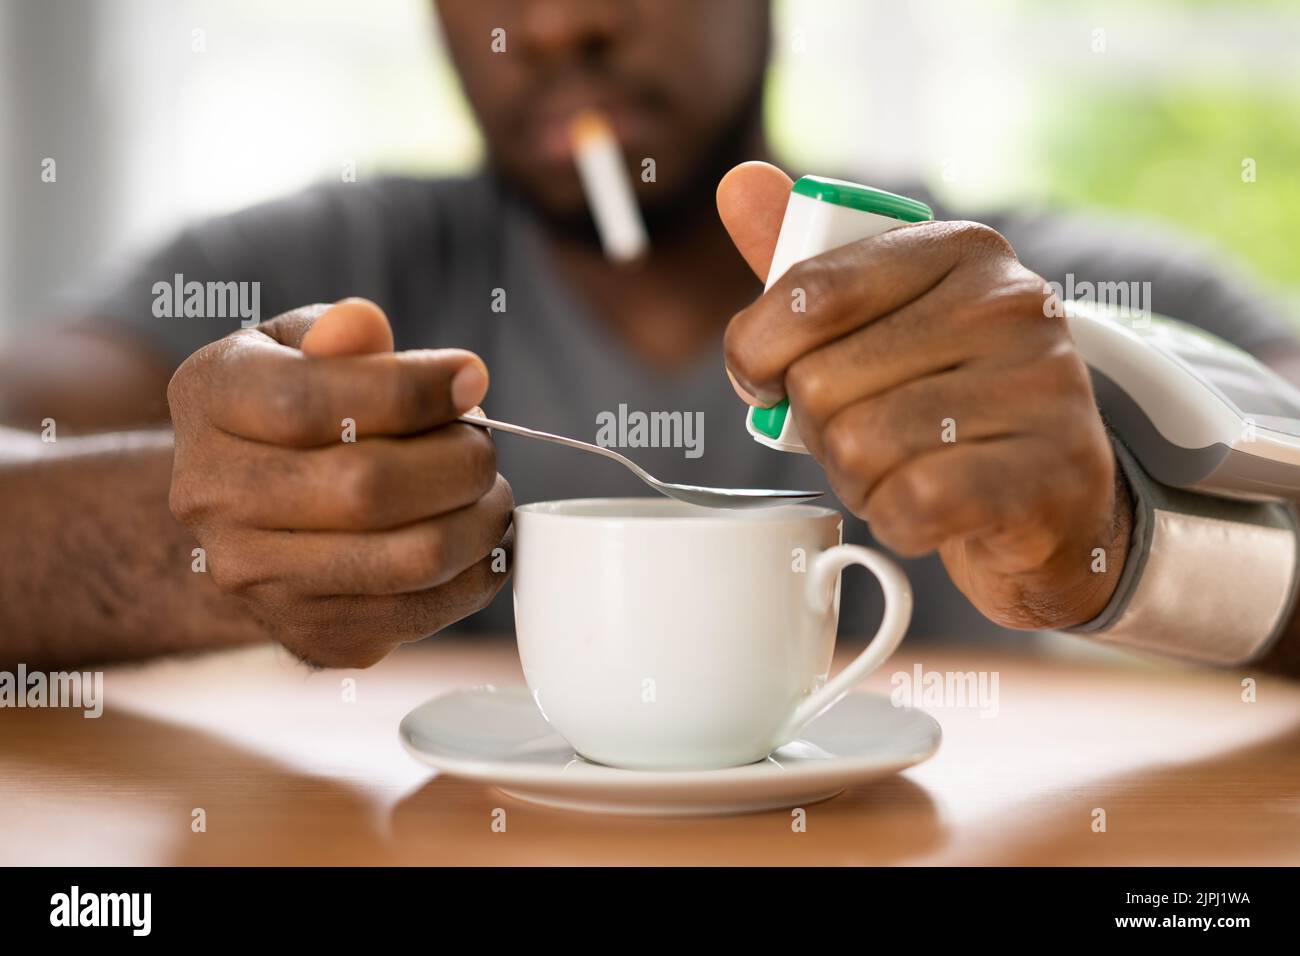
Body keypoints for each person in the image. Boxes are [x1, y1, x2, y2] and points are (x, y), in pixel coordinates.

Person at [1, 0, 1297, 675]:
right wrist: (189, 530)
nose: (565, 23)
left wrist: (1119, 552)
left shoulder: (1050, 302)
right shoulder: (292, 279)